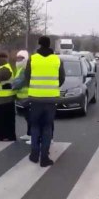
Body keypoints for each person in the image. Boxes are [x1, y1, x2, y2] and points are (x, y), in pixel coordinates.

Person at [24, 36, 65, 167]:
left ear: (39, 44)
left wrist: (34, 88)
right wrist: (52, 87)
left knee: (35, 126)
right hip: (51, 99)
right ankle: (44, 158)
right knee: (47, 127)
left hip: (35, 98)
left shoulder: (33, 59)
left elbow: (26, 77)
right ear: (50, 44)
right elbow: (62, 78)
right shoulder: (57, 60)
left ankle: (34, 155)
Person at [12, 50, 31, 142]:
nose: (18, 60)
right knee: (27, 117)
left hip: (27, 97)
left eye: (21, 58)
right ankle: (29, 134)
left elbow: (20, 82)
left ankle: (31, 135)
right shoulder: (20, 69)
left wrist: (13, 86)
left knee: (30, 117)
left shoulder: (25, 69)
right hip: (21, 97)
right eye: (18, 58)